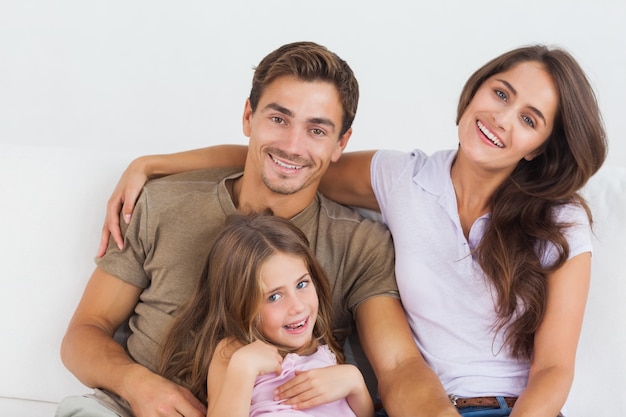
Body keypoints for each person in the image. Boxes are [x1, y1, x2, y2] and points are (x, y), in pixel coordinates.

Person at [102, 44, 608, 416]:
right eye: (500, 93)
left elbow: (553, 370)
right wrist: (154, 163)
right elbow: (290, 158)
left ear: (540, 145)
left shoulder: (559, 222)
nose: (501, 118)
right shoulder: (402, 177)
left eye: (529, 118)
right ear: (476, 87)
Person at [59, 41, 452, 417]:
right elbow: (84, 332)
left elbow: (399, 364)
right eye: (278, 119)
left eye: (316, 130)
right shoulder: (162, 202)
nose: (292, 146)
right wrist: (135, 383)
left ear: (340, 143)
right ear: (248, 117)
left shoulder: (358, 243)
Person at [158, 212, 373, 417]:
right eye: (274, 297)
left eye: (302, 284)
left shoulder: (322, 349)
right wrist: (243, 367)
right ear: (240, 304)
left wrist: (355, 383)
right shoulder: (234, 352)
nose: (297, 306)